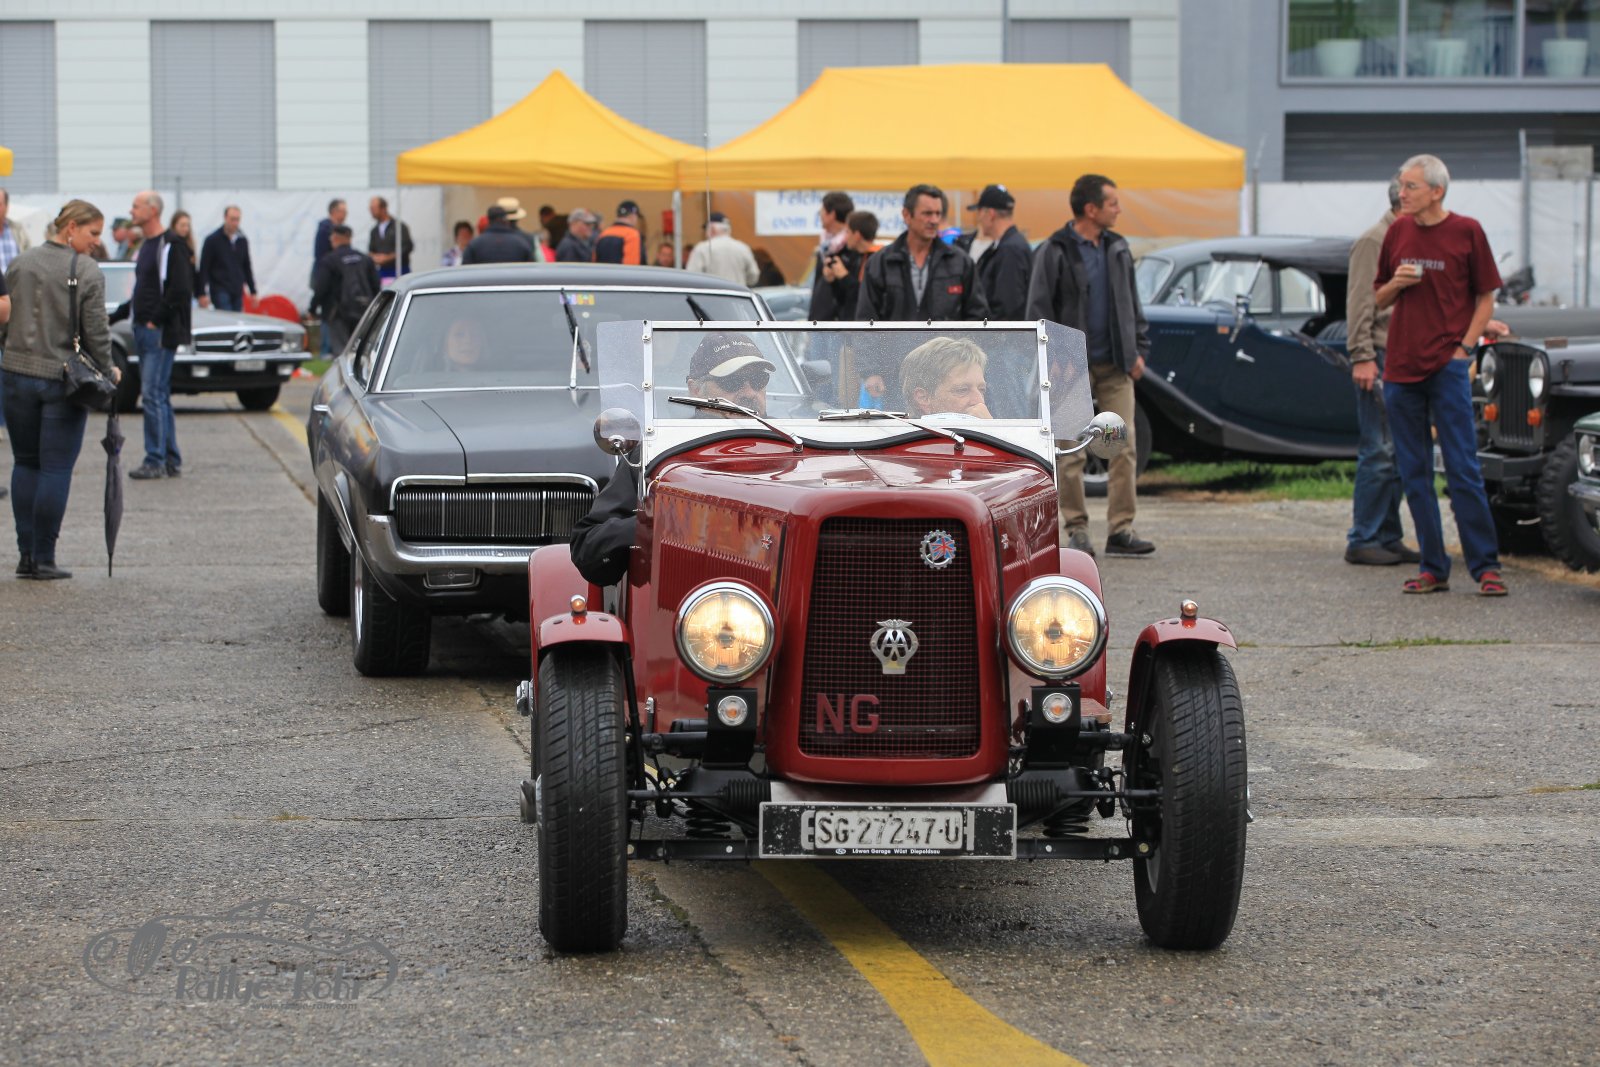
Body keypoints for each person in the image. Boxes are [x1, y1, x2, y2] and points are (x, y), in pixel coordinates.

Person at [1375, 154, 1506, 596]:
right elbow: (1378, 297)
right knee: (1414, 473)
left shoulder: (1467, 231)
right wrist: (1397, 283)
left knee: (1462, 468)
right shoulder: (1397, 231)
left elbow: (1485, 297)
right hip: (1401, 369)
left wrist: (1463, 350)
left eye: (1410, 186)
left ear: (1437, 191)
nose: (1402, 193)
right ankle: (1433, 567)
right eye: (1401, 186)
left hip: (1447, 368)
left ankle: (1486, 567)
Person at [569, 332, 771, 586]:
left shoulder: (801, 444)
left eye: (758, 379)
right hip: (691, 594)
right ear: (695, 389)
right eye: (732, 382)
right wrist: (655, 524)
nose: (749, 392)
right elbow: (588, 547)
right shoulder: (660, 450)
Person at [1027, 173, 1153, 558]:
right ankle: (1077, 530)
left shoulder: (1117, 247)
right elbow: (1038, 309)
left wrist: (1138, 349)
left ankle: (1121, 530)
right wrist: (1050, 358)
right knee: (1071, 452)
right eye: (1113, 203)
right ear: (1091, 209)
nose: (1119, 209)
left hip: (1116, 364)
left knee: (1122, 446)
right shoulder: (1054, 251)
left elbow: (1133, 303)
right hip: (1068, 368)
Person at [1, 200, 120, 578]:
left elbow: (5, 319)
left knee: (25, 463)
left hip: (15, 374)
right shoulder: (86, 270)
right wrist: (108, 371)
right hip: (60, 380)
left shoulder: (20, 263)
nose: (97, 241)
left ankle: (25, 556)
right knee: (55, 468)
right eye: (93, 233)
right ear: (71, 228)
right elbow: (97, 331)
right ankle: (44, 557)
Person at [1344, 179, 1421, 567]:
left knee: (1397, 453)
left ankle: (1387, 536)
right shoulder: (1374, 240)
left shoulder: (1407, 238)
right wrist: (1362, 354)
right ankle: (1365, 537)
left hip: (1403, 356)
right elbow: (1360, 301)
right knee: (1378, 450)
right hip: (1380, 353)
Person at [117, 190, 184, 480]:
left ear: (152, 210)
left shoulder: (170, 245)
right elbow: (141, 291)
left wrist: (156, 320)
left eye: (136, 206)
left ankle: (155, 459)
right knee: (159, 394)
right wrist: (117, 315)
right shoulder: (146, 245)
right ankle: (170, 458)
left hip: (157, 332)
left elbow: (178, 290)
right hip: (143, 329)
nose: (131, 211)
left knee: (153, 395)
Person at [855, 184, 990, 321]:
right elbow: (866, 320)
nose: (934, 220)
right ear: (906, 215)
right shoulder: (880, 263)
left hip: (946, 336)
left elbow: (978, 316)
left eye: (938, 214)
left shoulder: (960, 263)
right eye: (927, 213)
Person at [310, 225, 380, 354]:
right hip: (364, 310)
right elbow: (376, 285)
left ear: (335, 238)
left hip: (337, 313)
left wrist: (312, 309)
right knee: (362, 350)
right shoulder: (365, 259)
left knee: (341, 352)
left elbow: (321, 288)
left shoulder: (329, 260)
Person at [969, 184, 1031, 320]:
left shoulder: (1010, 250)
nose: (979, 219)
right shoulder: (1010, 245)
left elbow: (1008, 308)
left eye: (980, 213)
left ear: (990, 214)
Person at [901, 336, 992, 419]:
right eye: (962, 390)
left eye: (982, 390)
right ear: (923, 398)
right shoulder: (897, 431)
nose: (980, 402)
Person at [196, 205, 256, 312]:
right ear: (225, 218)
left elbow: (246, 266)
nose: (235, 223)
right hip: (220, 289)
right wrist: (201, 293)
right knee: (226, 317)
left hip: (237, 290)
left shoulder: (242, 240)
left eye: (237, 219)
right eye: (232, 219)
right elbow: (204, 267)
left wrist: (253, 291)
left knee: (237, 318)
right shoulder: (212, 240)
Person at [808, 191, 855, 321]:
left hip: (838, 325)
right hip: (818, 321)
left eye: (822, 211)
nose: (820, 215)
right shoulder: (825, 247)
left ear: (832, 214)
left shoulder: (851, 248)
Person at [313, 199, 348, 357]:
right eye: (343, 211)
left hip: (336, 279)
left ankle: (334, 347)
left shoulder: (335, 229)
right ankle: (326, 349)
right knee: (327, 312)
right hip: (327, 278)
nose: (345, 214)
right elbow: (321, 257)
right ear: (334, 211)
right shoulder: (325, 230)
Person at [686, 213, 759, 285]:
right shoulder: (743, 247)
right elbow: (753, 276)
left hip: (713, 292)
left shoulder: (702, 248)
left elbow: (692, 277)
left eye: (706, 228)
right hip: (738, 292)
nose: (705, 232)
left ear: (713, 229)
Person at [463, 204, 536, 264]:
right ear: (505, 220)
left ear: (488, 220)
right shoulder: (523, 243)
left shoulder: (474, 244)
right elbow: (532, 270)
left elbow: (465, 271)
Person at [368, 196, 413, 281]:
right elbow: (371, 250)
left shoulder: (399, 227)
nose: (371, 212)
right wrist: (375, 257)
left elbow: (407, 247)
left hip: (400, 270)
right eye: (370, 209)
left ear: (383, 208)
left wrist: (388, 257)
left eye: (373, 208)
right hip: (383, 272)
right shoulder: (374, 231)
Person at [593, 200, 646, 265]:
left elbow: (594, 260)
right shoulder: (632, 235)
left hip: (601, 271)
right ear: (633, 216)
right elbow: (631, 265)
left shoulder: (603, 234)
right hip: (621, 272)